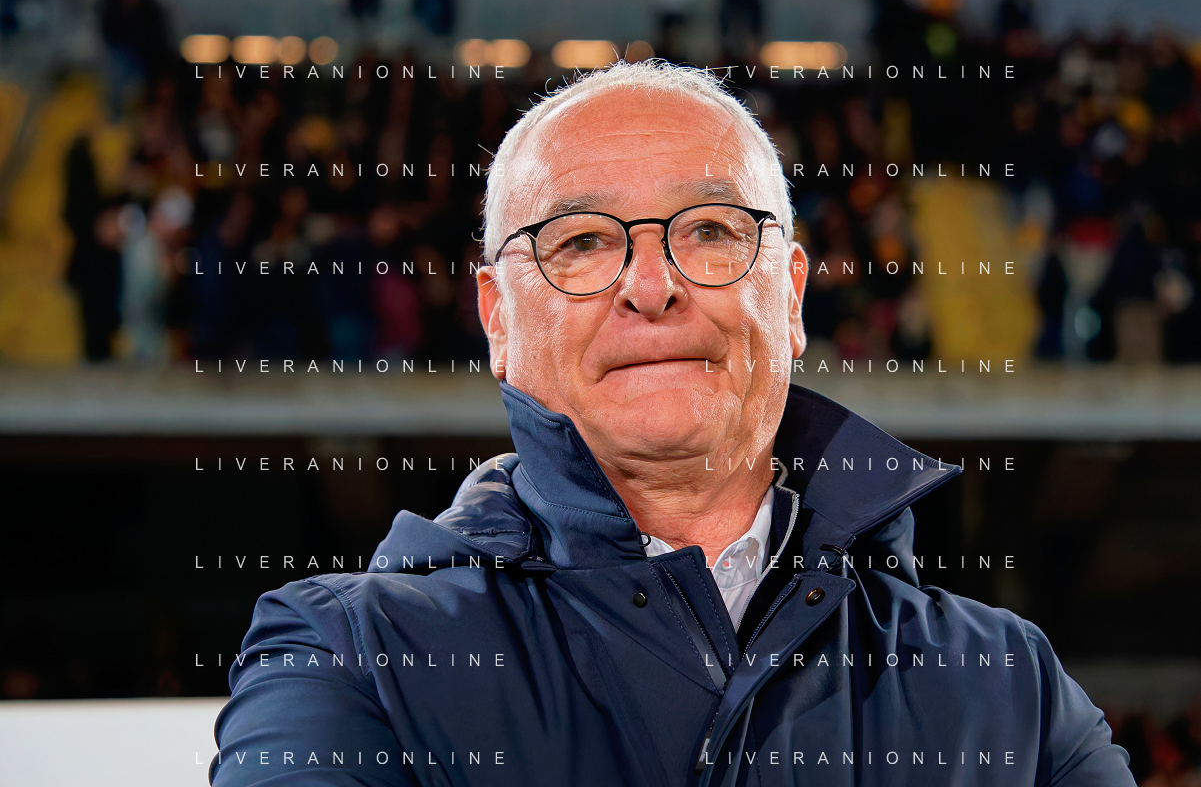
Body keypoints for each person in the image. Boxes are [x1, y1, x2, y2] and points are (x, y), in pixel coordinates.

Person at [210, 61, 1135, 787]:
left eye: (711, 232)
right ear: (496, 319)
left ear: (793, 296)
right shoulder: (343, 660)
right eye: (580, 242)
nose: (650, 287)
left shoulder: (1010, 685)